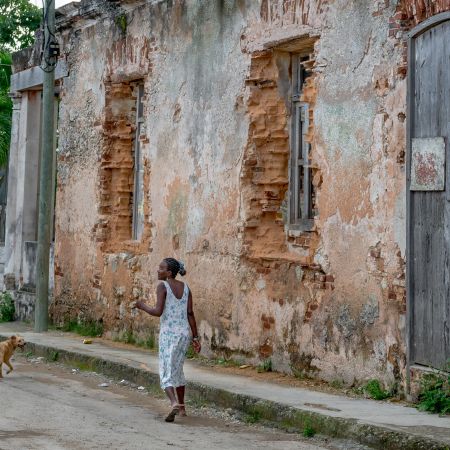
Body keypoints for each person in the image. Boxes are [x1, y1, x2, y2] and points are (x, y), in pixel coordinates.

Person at [133, 258, 201, 422]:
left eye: (161, 268)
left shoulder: (162, 286)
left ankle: (173, 403)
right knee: (177, 369)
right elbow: (190, 313)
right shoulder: (186, 288)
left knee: (165, 371)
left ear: (169, 272)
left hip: (169, 335)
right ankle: (182, 407)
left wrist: (142, 305)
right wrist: (195, 337)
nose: (158, 270)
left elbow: (157, 311)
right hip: (184, 334)